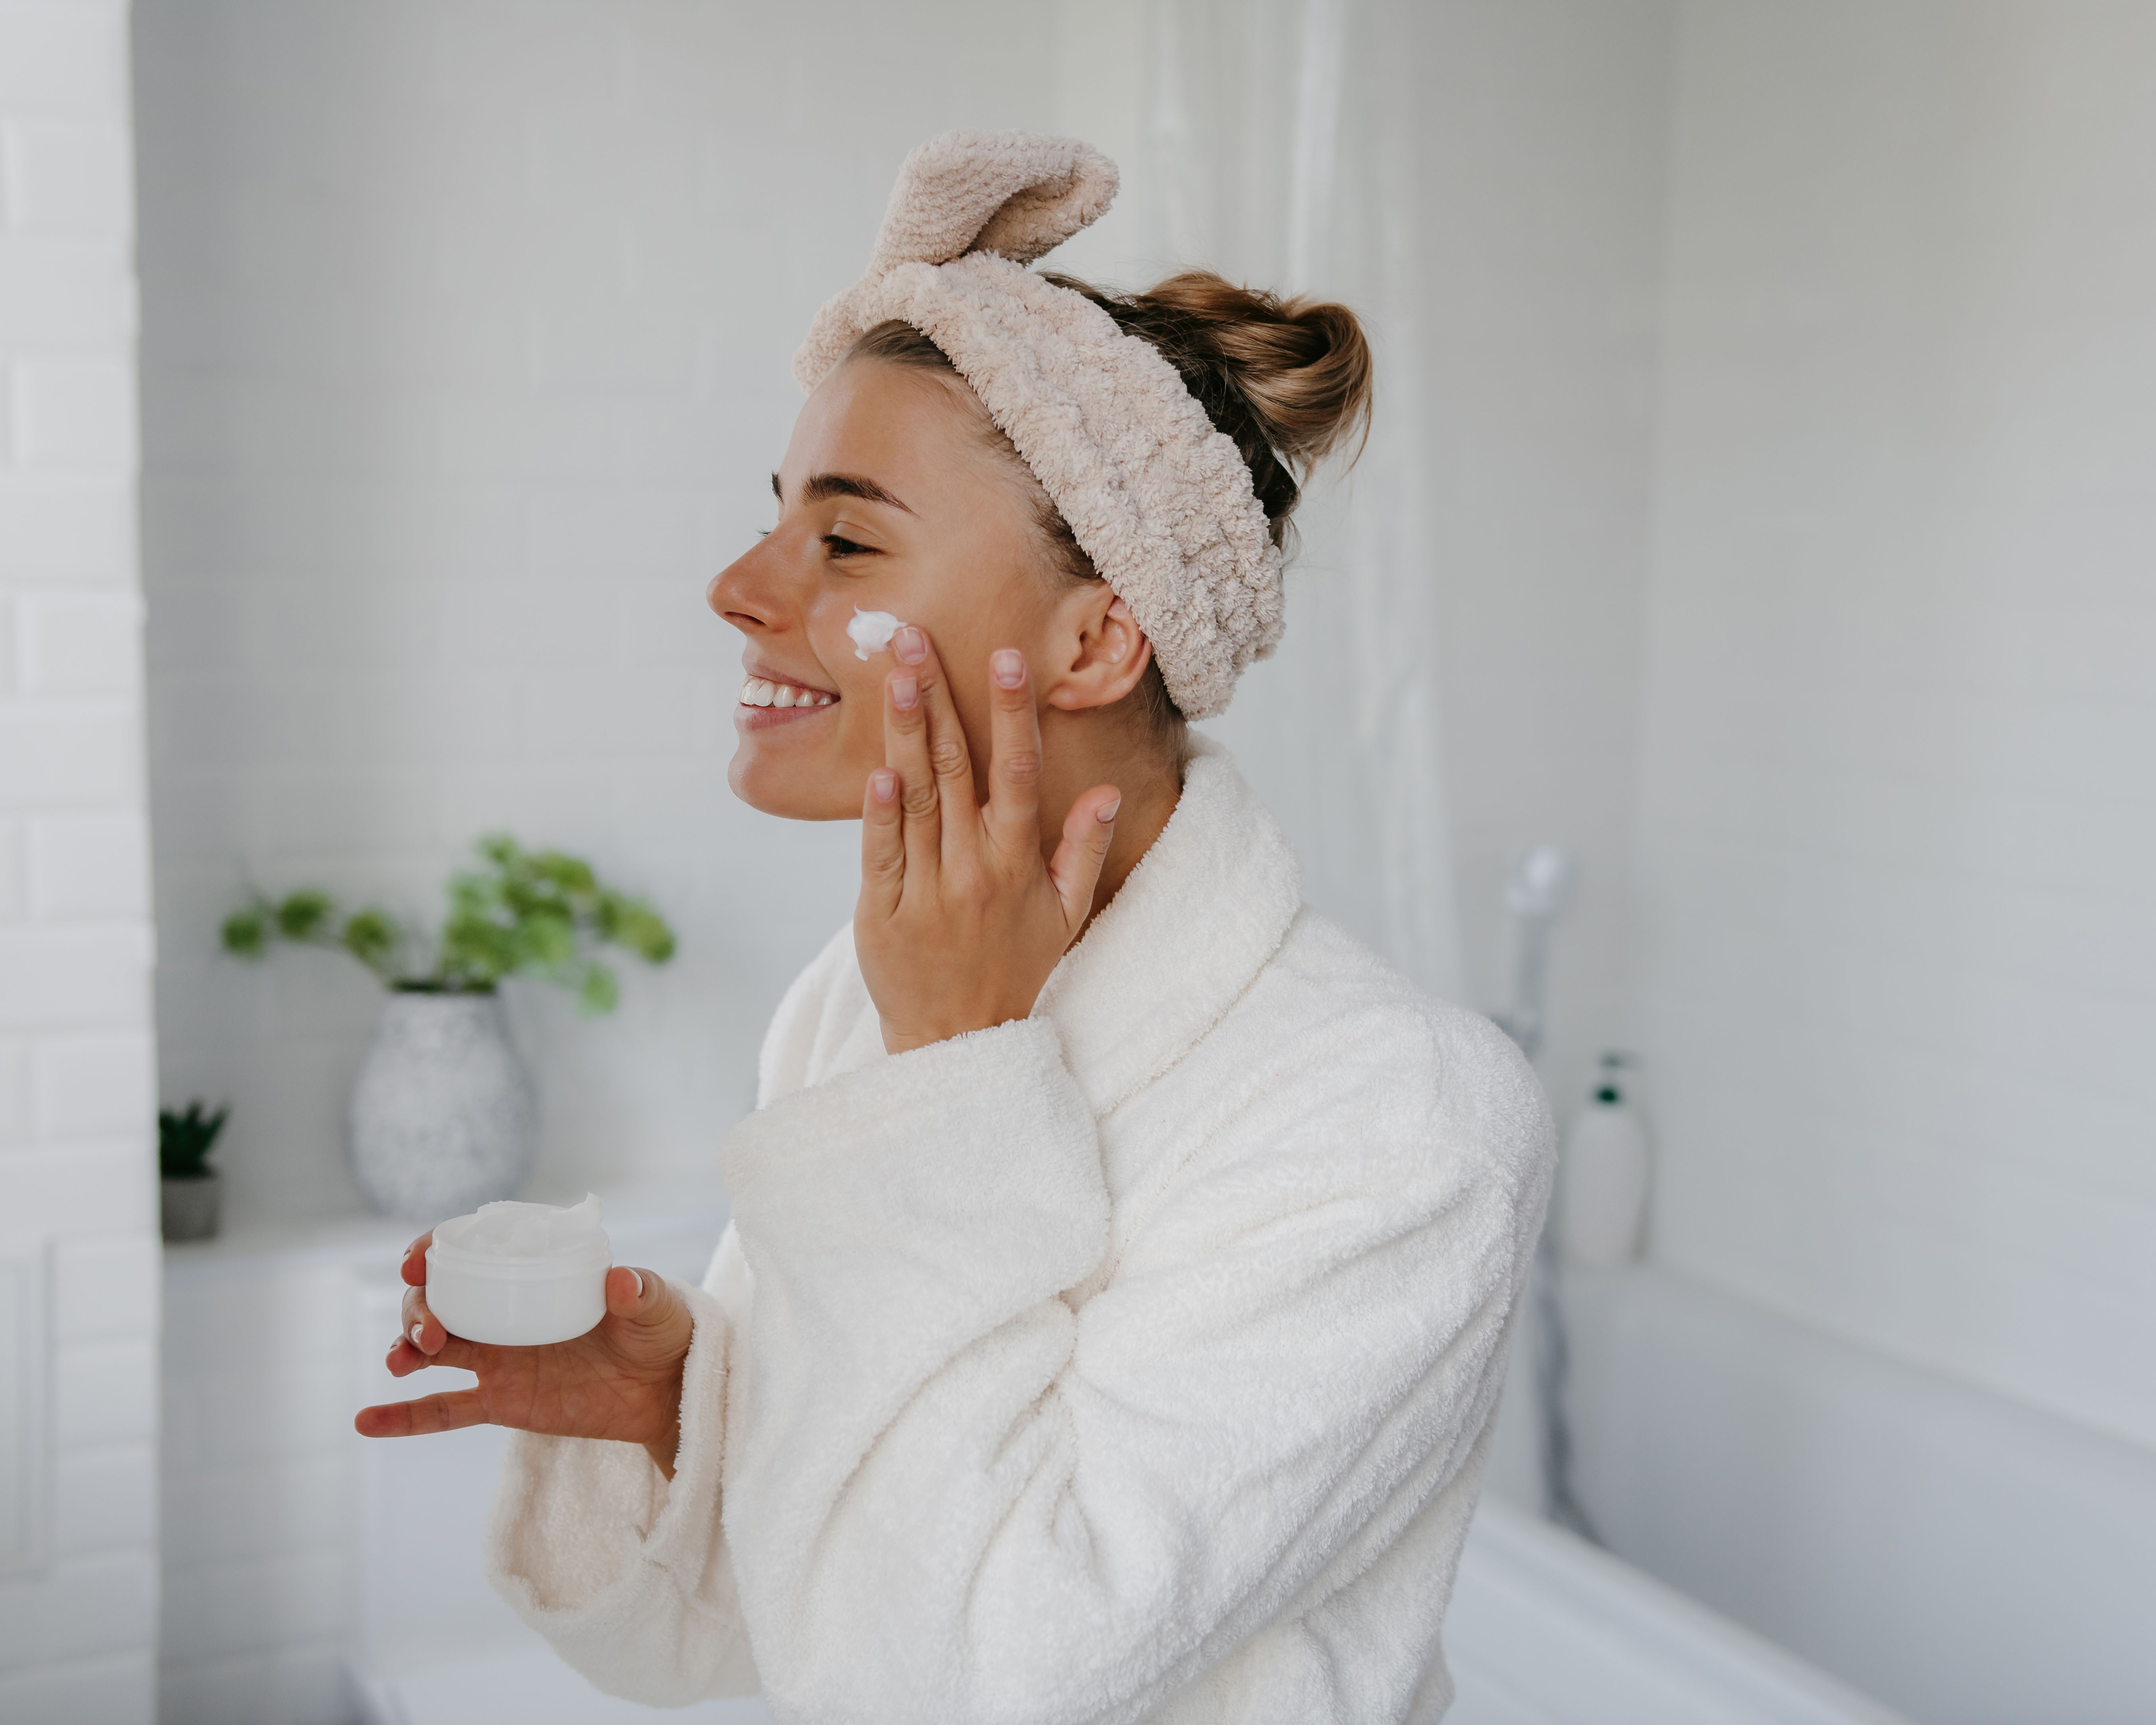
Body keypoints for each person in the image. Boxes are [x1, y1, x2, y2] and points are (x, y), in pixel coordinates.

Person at [355, 133, 1551, 1725]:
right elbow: (762, 1639)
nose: (735, 586)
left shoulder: (1395, 1120)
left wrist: (963, 1067)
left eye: (844, 539)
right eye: (775, 518)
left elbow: (978, 1683)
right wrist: (684, 1418)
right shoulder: (856, 1009)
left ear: (1098, 635)